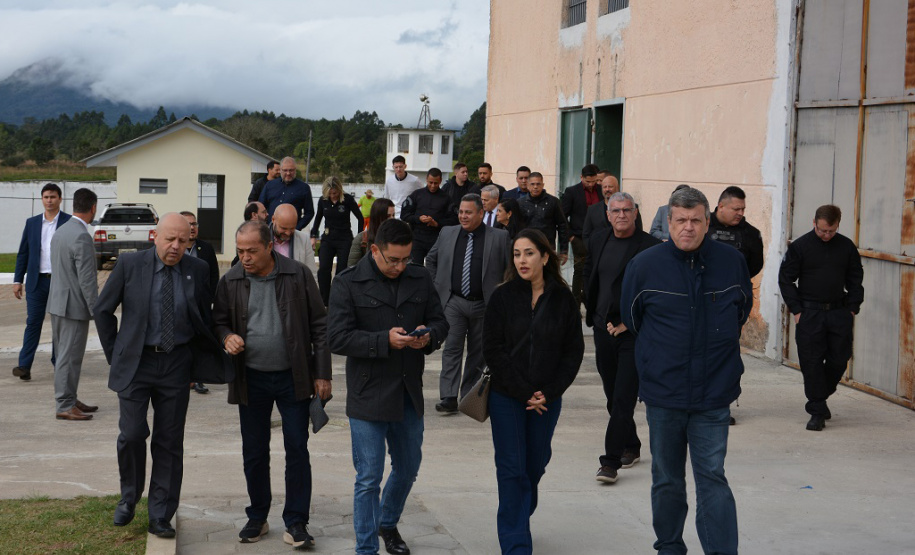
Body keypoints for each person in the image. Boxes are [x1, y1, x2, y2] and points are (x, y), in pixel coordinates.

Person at [621, 187, 752, 555]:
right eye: (681, 220)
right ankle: (669, 547)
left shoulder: (731, 262)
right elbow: (634, 320)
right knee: (667, 479)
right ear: (669, 222)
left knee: (712, 477)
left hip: (714, 393)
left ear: (708, 222)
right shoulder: (645, 266)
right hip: (665, 393)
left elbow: (740, 310)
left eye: (696, 220)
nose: (688, 228)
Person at [95, 213, 233, 538]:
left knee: (169, 443)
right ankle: (129, 497)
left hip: (176, 364)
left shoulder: (197, 270)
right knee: (131, 433)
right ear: (155, 235)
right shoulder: (130, 266)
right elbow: (102, 310)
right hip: (137, 363)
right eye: (170, 239)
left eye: (183, 242)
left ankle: (161, 514)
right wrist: (116, 355)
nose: (176, 247)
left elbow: (206, 316)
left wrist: (222, 341)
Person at [327, 219, 448, 555]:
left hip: (408, 391)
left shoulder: (420, 277)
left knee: (408, 468)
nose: (399, 266)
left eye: (405, 259)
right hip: (368, 393)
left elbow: (441, 321)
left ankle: (388, 522)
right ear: (374, 249)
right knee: (368, 477)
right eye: (393, 259)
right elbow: (336, 337)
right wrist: (383, 341)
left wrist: (428, 337)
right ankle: (366, 548)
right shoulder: (348, 282)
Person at [213, 221, 332, 548]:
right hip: (250, 378)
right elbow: (218, 320)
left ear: (270, 246)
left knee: (297, 447)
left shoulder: (297, 275)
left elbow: (320, 325)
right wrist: (227, 336)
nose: (245, 257)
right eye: (240, 251)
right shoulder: (232, 279)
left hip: (293, 377)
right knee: (253, 451)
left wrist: (323, 373)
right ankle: (257, 516)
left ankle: (296, 523)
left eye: (251, 250)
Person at [482, 228, 584, 555]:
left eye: (528, 253)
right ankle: (516, 544)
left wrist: (548, 392)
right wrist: (524, 391)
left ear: (544, 255)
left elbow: (573, 352)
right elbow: (492, 349)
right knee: (512, 469)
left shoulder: (563, 299)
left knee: (534, 466)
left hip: (546, 399)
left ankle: (520, 508)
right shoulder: (502, 296)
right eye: (516, 254)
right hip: (507, 396)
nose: (522, 260)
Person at [583, 192, 660, 483]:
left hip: (633, 335)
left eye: (627, 210)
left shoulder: (650, 247)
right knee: (611, 396)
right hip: (602, 331)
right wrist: (590, 311)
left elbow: (655, 293)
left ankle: (610, 462)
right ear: (607, 214)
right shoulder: (599, 239)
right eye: (616, 211)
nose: (621, 215)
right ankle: (631, 444)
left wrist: (630, 322)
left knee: (623, 399)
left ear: (636, 212)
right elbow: (591, 273)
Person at [778, 204, 863, 432]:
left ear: (837, 226)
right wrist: (796, 310)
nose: (826, 235)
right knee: (812, 362)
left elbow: (856, 278)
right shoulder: (800, 247)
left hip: (839, 312)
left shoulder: (846, 247)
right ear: (814, 223)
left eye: (831, 231)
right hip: (810, 313)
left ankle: (820, 396)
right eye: (822, 230)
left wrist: (852, 308)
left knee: (839, 359)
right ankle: (816, 411)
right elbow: (786, 279)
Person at [426, 194, 511, 413]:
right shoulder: (447, 233)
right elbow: (431, 258)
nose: (463, 216)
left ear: (481, 213)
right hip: (454, 301)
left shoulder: (500, 237)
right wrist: (438, 286)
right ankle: (448, 396)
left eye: (468, 212)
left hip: (485, 304)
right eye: (461, 212)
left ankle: (468, 396)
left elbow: (508, 269)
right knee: (451, 348)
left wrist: (503, 297)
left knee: (478, 352)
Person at [48, 188, 99, 421]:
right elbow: (87, 280)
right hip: (74, 307)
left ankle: (69, 397)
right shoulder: (81, 236)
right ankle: (65, 404)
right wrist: (96, 309)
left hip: (58, 303)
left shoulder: (61, 231)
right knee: (70, 357)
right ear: (93, 208)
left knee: (63, 355)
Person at [12, 183, 71, 381]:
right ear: (42, 199)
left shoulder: (69, 222)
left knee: (59, 326)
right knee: (33, 324)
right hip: (37, 283)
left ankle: (59, 364)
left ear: (60, 199)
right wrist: (17, 280)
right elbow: (23, 253)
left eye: (53, 197)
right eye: (46, 197)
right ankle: (24, 366)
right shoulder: (32, 223)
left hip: (60, 283)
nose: (49, 200)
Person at [310, 176, 364, 305]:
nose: (333, 196)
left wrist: (359, 236)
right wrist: (313, 236)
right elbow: (317, 219)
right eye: (330, 193)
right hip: (328, 238)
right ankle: (324, 301)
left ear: (339, 190)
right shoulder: (323, 201)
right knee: (324, 269)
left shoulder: (348, 200)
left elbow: (360, 218)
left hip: (344, 238)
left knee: (342, 270)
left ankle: (338, 298)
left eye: (335, 193)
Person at [561, 164, 603, 307]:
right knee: (580, 269)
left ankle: (590, 299)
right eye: (588, 181)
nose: (591, 184)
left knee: (596, 269)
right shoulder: (572, 192)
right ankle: (576, 303)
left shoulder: (601, 190)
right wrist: (571, 236)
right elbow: (562, 216)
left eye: (594, 181)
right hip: (578, 236)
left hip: (599, 236)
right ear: (581, 178)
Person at [400, 167, 456, 266]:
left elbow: (454, 219)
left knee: (434, 268)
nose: (433, 186)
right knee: (415, 268)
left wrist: (437, 223)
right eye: (430, 182)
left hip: (436, 239)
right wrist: (418, 219)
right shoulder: (417, 195)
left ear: (440, 181)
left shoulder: (447, 198)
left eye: (436, 183)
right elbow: (404, 215)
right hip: (417, 238)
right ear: (426, 179)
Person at [708, 186, 764, 278]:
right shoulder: (701, 226)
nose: (741, 213)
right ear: (721, 207)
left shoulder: (751, 233)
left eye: (743, 209)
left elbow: (755, 266)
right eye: (736, 209)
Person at [518, 172, 569, 264]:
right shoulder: (520, 203)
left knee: (549, 276)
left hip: (548, 247)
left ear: (543, 185)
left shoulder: (553, 202)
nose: (535, 187)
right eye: (532, 184)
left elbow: (562, 226)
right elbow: (517, 227)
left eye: (538, 184)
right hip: (527, 247)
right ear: (528, 186)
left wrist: (564, 251)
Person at [259, 157, 315, 230]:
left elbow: (309, 213)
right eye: (285, 170)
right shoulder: (269, 185)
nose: (288, 173)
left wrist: (297, 228)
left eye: (291, 170)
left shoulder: (304, 188)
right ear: (280, 170)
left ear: (295, 170)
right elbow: (261, 207)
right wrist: (264, 226)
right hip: (271, 232)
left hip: (292, 234)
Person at [272, 203, 319, 278]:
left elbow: (311, 275)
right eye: (283, 228)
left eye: (292, 228)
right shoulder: (260, 238)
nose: (288, 233)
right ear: (273, 220)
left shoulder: (304, 240)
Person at [348, 198, 395, 266]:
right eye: (388, 216)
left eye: (393, 215)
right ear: (378, 217)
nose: (392, 219)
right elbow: (352, 267)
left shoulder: (398, 237)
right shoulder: (362, 238)